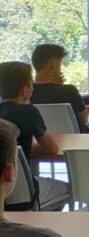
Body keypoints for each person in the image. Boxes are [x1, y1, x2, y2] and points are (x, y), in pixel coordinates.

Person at [0, 61, 60, 207]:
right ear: (25, 89)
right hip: (22, 193)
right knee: (64, 188)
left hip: (3, 192)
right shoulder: (28, 112)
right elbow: (52, 148)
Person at [30, 43, 89, 132]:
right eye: (60, 63)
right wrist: (60, 87)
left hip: (39, 141)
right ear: (52, 65)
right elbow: (84, 119)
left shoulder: (26, 93)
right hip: (72, 142)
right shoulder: (69, 91)